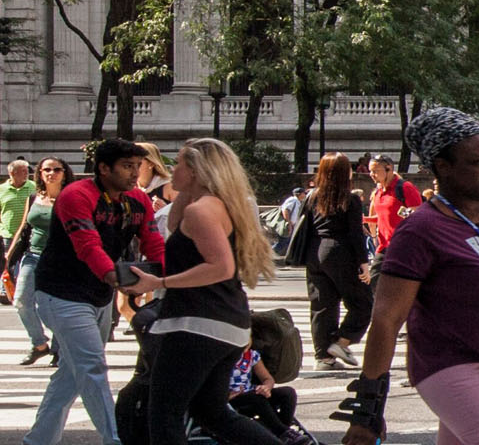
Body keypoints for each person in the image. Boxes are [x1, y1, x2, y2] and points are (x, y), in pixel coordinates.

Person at [336, 107, 479, 445]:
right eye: (478, 163)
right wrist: (368, 406)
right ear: (443, 167)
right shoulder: (422, 230)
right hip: (453, 366)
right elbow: (386, 318)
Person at [125, 138, 283, 445]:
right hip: (225, 324)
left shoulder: (203, 211)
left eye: (181, 162)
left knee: (164, 416)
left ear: (196, 169)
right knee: (212, 413)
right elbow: (173, 223)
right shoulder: (210, 205)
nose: (172, 168)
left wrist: (158, 284)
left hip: (196, 325)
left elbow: (220, 267)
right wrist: (186, 192)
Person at [26, 137, 163, 445]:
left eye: (138, 166)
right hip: (61, 293)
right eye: (128, 166)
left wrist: (167, 278)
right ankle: (117, 439)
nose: (135, 173)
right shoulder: (76, 195)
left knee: (71, 375)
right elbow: (87, 245)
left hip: (98, 295)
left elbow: (153, 243)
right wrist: (118, 279)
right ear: (103, 168)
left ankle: (37, 441)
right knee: (91, 367)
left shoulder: (137, 200)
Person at [301, 154, 372, 371]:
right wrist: (364, 263)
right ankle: (341, 342)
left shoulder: (312, 197)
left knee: (322, 305)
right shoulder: (349, 199)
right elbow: (355, 234)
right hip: (340, 252)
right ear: (344, 173)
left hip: (315, 253)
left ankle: (323, 357)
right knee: (363, 303)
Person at [7, 157, 68, 365]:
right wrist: (9, 255)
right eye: (47, 169)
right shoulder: (34, 197)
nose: (52, 173)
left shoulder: (70, 198)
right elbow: (25, 227)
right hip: (32, 256)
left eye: (57, 169)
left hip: (61, 260)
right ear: (40, 173)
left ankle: (61, 347)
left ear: (64, 172)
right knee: (21, 301)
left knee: (51, 307)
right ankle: (40, 344)